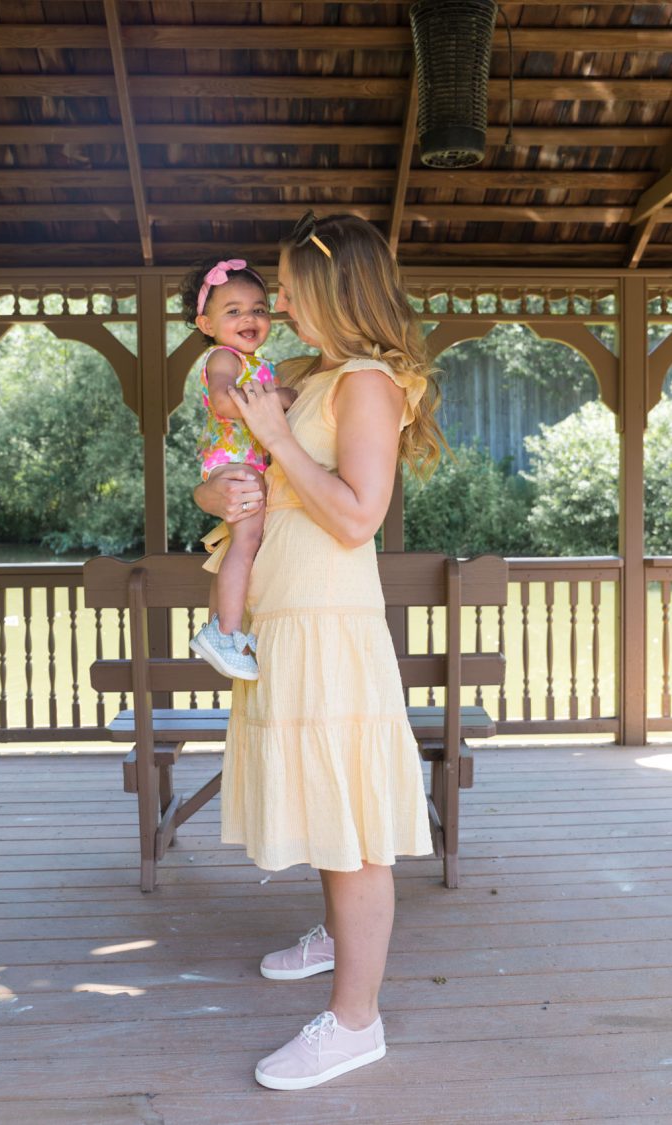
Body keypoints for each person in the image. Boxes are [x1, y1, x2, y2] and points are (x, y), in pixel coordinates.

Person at [193, 212, 443, 1091]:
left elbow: (355, 513)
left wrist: (278, 440)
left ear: (337, 289)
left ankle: (355, 1020)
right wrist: (222, 484)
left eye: (294, 287)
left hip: (332, 624)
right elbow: (256, 478)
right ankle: (340, 939)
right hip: (289, 618)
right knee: (328, 807)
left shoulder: (367, 382)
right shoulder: (315, 375)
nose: (282, 302)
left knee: (356, 828)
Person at [181, 257, 297, 680]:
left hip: (245, 463)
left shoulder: (258, 363)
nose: (249, 317)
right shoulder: (223, 357)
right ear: (206, 324)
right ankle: (224, 632)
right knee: (246, 544)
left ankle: (224, 627)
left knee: (239, 546)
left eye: (259, 309)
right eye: (233, 311)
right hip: (235, 463)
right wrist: (283, 397)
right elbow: (224, 402)